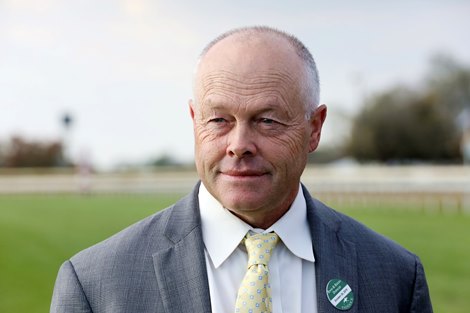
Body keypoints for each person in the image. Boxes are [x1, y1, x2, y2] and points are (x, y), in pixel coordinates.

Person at [51, 26, 433, 313]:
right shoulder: (96, 285)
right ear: (193, 120)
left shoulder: (395, 277)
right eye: (218, 120)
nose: (239, 144)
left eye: (267, 120)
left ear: (314, 128)